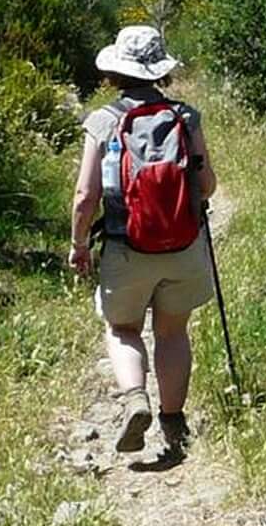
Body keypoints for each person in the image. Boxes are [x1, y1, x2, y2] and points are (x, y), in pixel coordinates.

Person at [70, 25, 219, 465]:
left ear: (116, 71)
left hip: (126, 245)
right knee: (172, 331)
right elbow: (207, 185)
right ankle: (174, 422)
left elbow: (85, 196)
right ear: (159, 70)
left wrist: (79, 244)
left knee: (123, 329)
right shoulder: (186, 117)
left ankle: (137, 399)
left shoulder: (103, 121)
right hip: (183, 244)